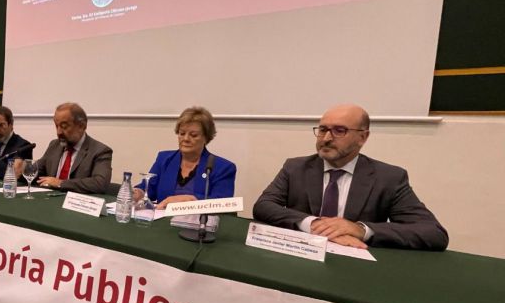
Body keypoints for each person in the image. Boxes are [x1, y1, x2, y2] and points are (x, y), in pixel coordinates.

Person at [252, 104, 448, 251]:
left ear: (363, 137)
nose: (327, 138)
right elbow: (263, 206)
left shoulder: (389, 177)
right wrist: (314, 225)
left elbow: (434, 233)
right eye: (322, 130)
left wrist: (361, 230)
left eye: (339, 131)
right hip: (302, 255)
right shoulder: (296, 167)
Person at [134, 107, 236, 209]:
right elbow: (148, 189)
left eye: (193, 135)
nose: (186, 139)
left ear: (206, 137)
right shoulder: (164, 159)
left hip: (198, 223)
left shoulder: (223, 168)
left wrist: (190, 200)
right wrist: (138, 192)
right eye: (182, 133)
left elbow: (223, 204)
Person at [36, 103, 113, 194]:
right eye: (57, 126)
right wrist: (21, 170)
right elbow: (36, 171)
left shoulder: (100, 151)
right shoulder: (54, 145)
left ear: (81, 126)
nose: (59, 132)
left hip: (78, 205)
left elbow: (100, 183)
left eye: (64, 126)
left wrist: (61, 183)